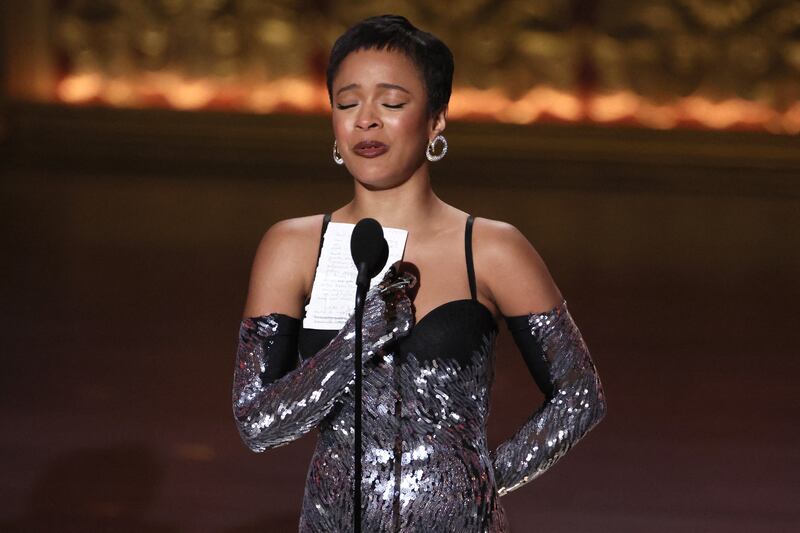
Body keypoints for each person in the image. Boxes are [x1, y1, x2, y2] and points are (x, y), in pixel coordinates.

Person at [232, 14, 606, 532]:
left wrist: (475, 483)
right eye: (347, 103)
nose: (366, 120)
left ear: (435, 120)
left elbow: (580, 396)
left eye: (391, 103)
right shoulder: (293, 247)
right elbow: (257, 423)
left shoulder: (492, 248)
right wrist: (357, 340)